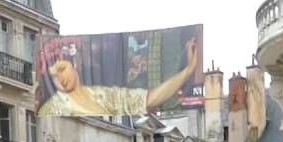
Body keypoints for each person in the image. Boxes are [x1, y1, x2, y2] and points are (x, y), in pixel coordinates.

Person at [38, 36, 201, 117]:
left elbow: (149, 99)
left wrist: (189, 69)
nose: (59, 79)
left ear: (74, 64)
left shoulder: (104, 95)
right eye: (53, 76)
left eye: (61, 69)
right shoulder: (52, 108)